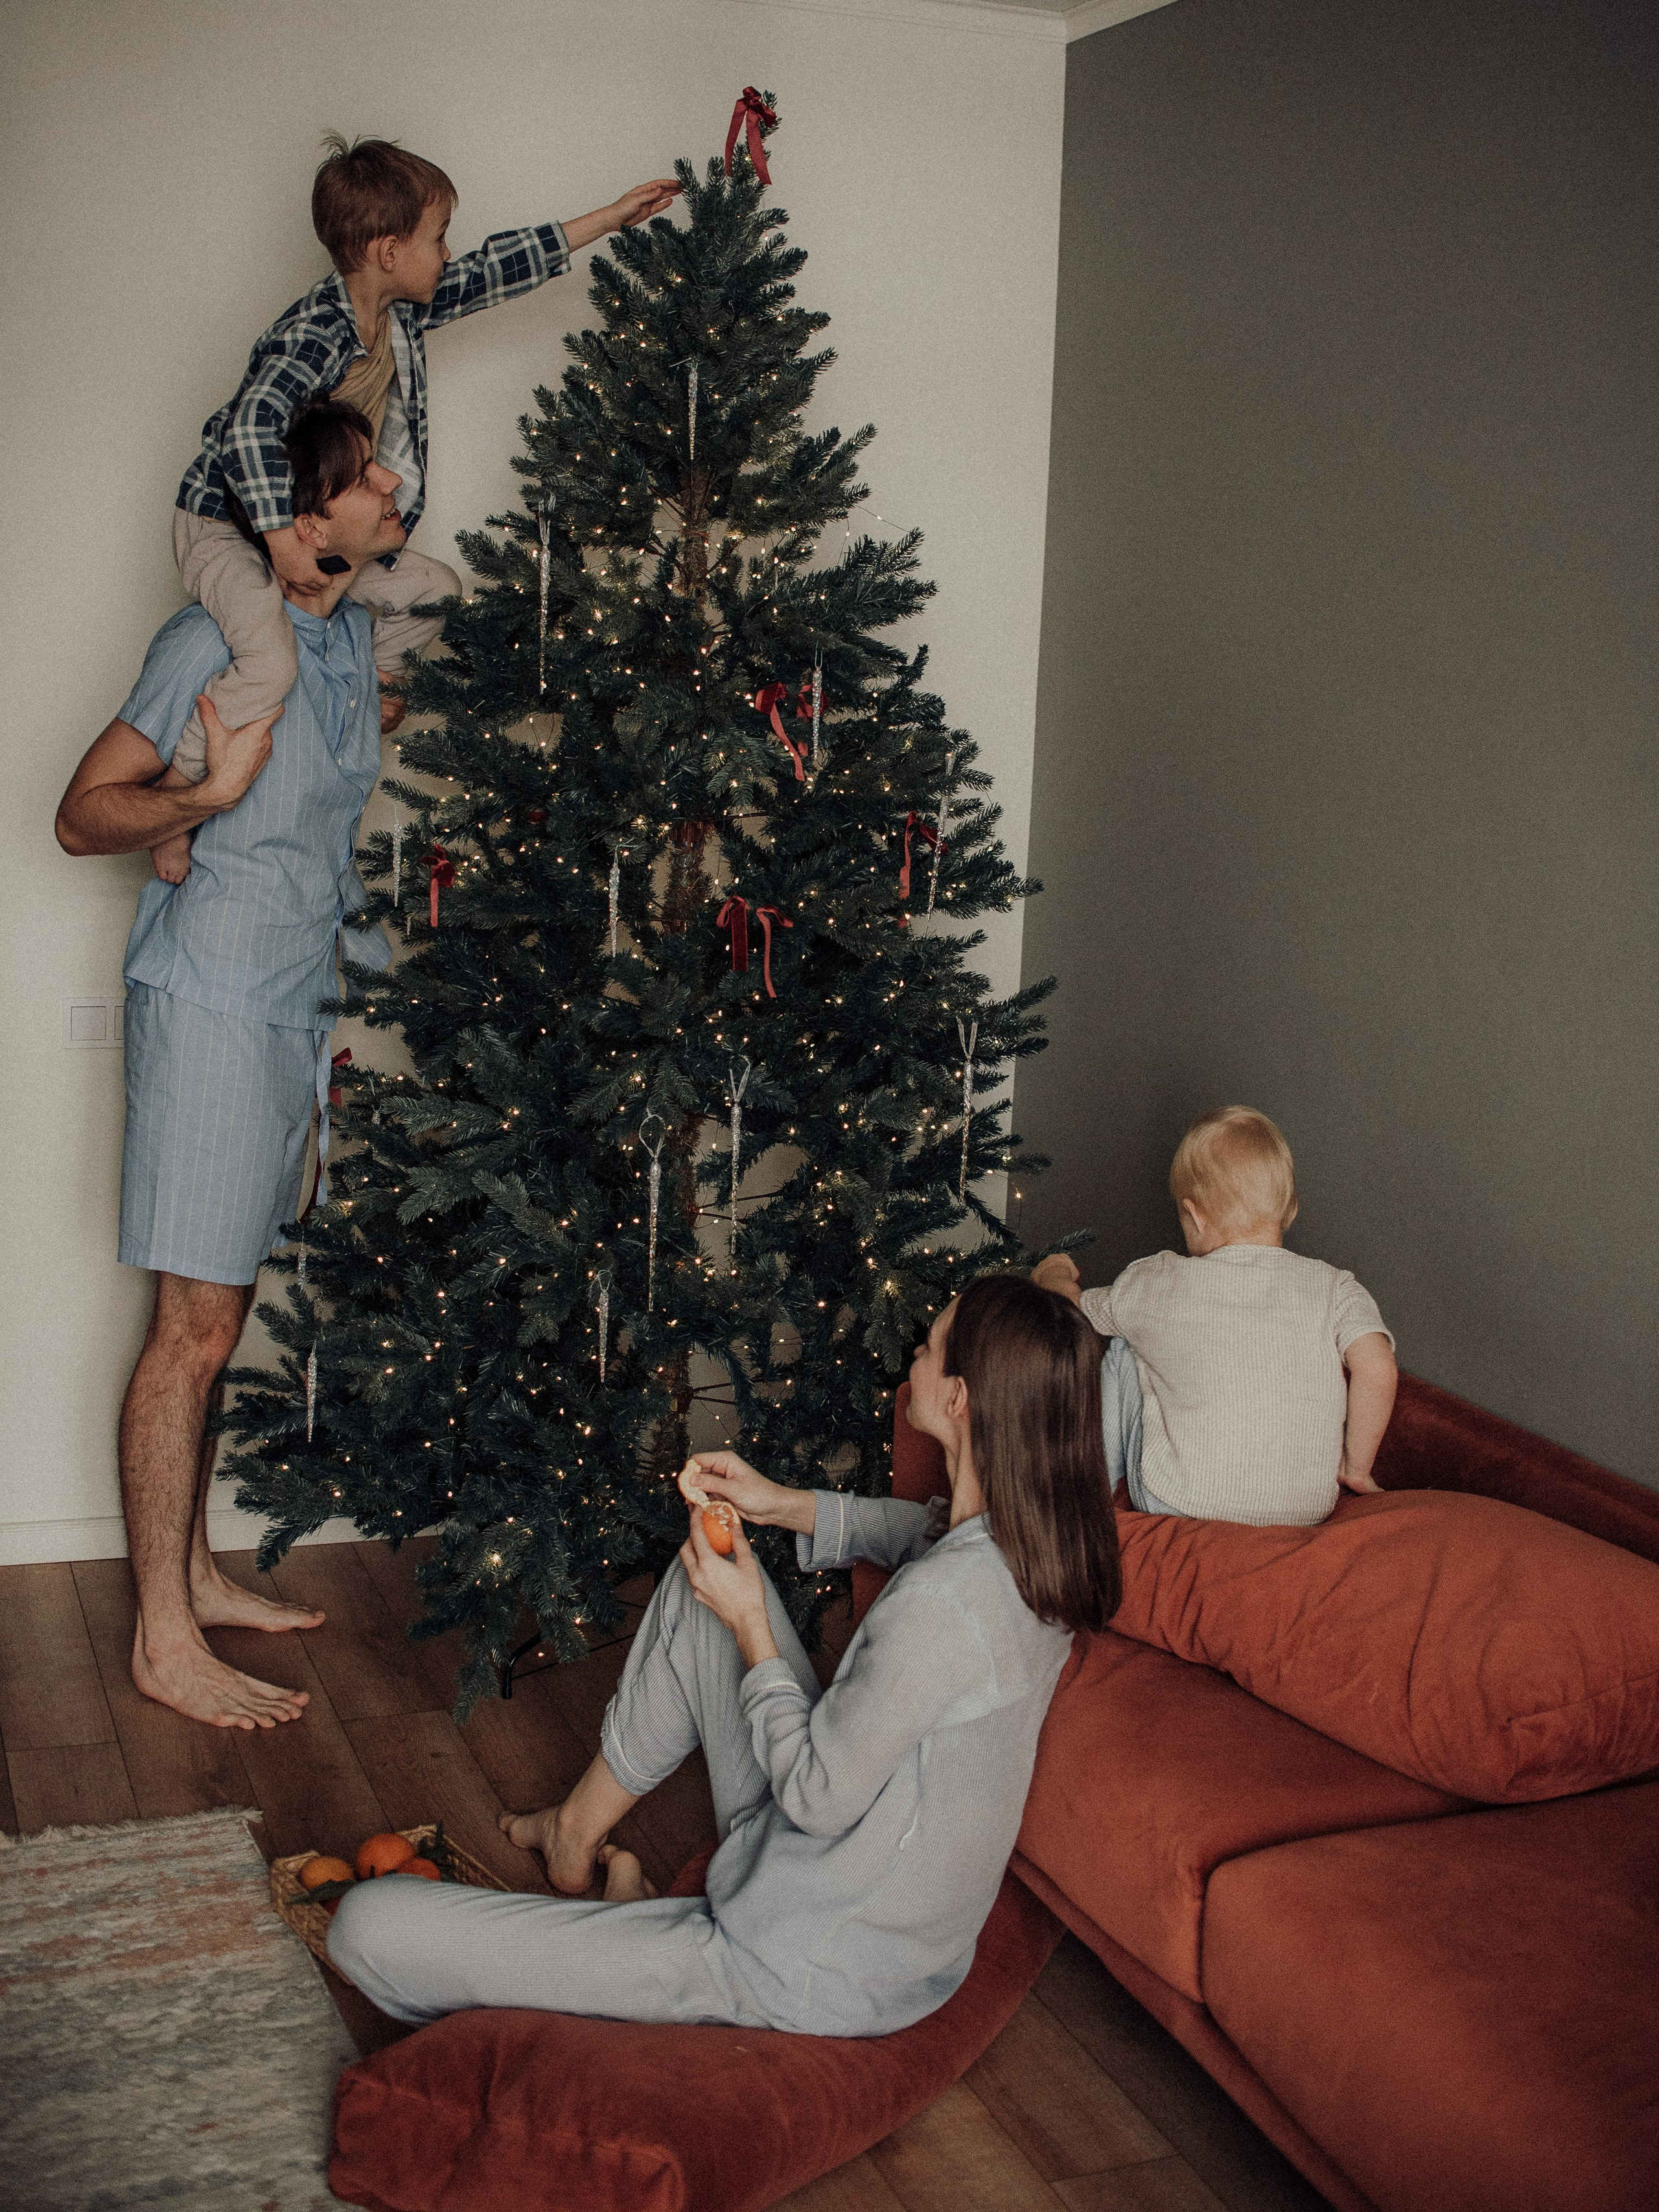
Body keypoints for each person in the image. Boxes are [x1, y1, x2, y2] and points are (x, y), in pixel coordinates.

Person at [327, 1275, 1121, 2034]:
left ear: (959, 1399)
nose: (914, 1346)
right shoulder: (1031, 1547)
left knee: (366, 1927)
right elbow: (919, 1528)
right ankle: (575, 1831)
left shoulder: (940, 1607)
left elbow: (813, 1793)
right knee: (693, 1589)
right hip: (848, 1899)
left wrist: (752, 1626)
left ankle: (637, 1924)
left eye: (932, 1341)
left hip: (804, 1959)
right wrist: (780, 1502)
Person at [55, 401, 411, 1730]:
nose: (393, 483)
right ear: (305, 514)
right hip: (208, 1008)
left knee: (221, 1323)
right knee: (188, 1335)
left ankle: (193, 1573)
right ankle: (160, 1634)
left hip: (294, 1015)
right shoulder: (208, 637)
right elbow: (81, 811)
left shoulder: (341, 638)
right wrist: (197, 803)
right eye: (368, 472)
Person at [151, 135, 680, 882]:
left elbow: (495, 270)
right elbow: (248, 427)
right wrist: (280, 544)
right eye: (438, 238)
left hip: (317, 532)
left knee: (429, 588)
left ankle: (368, 689)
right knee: (268, 661)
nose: (448, 254)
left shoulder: (399, 314)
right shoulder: (317, 330)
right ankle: (178, 800)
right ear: (388, 250)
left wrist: (608, 218)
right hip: (229, 525)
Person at [1034, 1106, 1398, 1526]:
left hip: (1179, 1498)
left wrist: (1055, 1272)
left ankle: (1078, 1487)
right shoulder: (1333, 1286)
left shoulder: (1159, 1281)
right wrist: (1355, 1466)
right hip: (1305, 1508)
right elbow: (1377, 1367)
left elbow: (1068, 1312)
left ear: (1195, 1214)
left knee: (1119, 1346)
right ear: (1288, 1208)